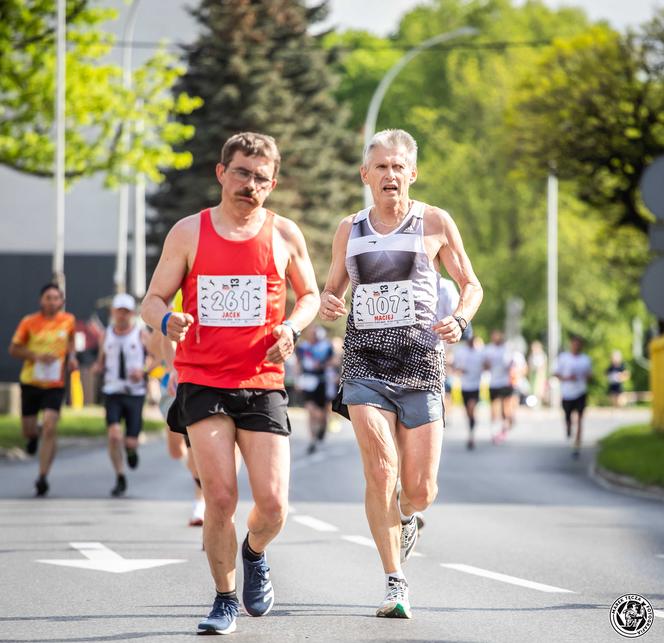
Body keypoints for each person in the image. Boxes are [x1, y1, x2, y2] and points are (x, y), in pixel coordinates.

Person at [141, 132, 319, 635]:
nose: (250, 185)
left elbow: (307, 296)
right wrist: (166, 320)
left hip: (262, 380)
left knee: (274, 503)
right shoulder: (188, 232)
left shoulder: (284, 234)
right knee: (220, 497)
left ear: (273, 184)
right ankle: (223, 598)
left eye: (261, 178)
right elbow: (151, 300)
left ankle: (255, 550)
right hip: (203, 379)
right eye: (241, 173)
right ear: (222, 173)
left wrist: (292, 327)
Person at [320, 129, 482, 619]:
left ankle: (408, 516)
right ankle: (395, 581)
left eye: (398, 167)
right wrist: (330, 302)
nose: (390, 175)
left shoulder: (433, 221)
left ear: (412, 173)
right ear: (365, 174)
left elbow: (470, 285)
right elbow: (332, 291)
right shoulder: (349, 229)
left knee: (420, 489)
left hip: (421, 364)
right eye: (381, 167)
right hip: (364, 363)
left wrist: (458, 319)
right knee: (380, 468)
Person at [8, 283, 77, 497]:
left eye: (56, 298)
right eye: (48, 297)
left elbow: (71, 341)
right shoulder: (29, 322)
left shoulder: (68, 321)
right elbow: (14, 349)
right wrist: (36, 357)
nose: (52, 301)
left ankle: (42, 476)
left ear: (61, 301)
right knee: (29, 429)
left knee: (49, 425)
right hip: (31, 381)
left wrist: (72, 358)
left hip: (55, 385)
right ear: (41, 300)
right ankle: (31, 437)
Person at [93, 293, 149, 497]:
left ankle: (132, 451)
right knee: (114, 435)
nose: (123, 316)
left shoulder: (141, 334)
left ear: (132, 314)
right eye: (119, 312)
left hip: (135, 393)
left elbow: (154, 360)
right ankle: (120, 476)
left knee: (131, 441)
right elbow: (101, 358)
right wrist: (97, 367)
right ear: (113, 313)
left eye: (126, 312)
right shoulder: (106, 334)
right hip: (112, 391)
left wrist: (143, 371)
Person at [295, 325, 335, 454]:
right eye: (310, 333)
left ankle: (322, 427)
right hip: (308, 381)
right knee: (311, 411)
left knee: (322, 413)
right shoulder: (302, 347)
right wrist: (297, 380)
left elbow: (333, 360)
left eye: (315, 333)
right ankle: (312, 440)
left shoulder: (326, 346)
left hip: (322, 381)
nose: (312, 335)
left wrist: (322, 365)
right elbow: (298, 364)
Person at [554, 335, 592, 458]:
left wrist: (587, 377)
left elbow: (590, 374)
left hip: (581, 392)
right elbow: (556, 373)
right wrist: (567, 378)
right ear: (571, 344)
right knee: (568, 417)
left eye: (578, 344)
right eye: (574, 344)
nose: (576, 346)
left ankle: (577, 445)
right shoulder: (564, 358)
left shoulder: (585, 359)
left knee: (580, 419)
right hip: (567, 393)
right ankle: (569, 427)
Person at [453, 335, 485, 450]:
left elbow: (486, 365)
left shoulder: (480, 352)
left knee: (472, 408)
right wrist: (459, 370)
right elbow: (455, 367)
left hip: (475, 386)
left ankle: (471, 437)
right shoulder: (461, 352)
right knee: (468, 413)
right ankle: (471, 430)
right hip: (464, 386)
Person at [483, 330, 515, 443]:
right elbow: (485, 365)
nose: (495, 338)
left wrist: (510, 367)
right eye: (493, 336)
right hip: (494, 382)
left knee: (505, 408)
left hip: (505, 382)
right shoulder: (488, 349)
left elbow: (512, 364)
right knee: (494, 408)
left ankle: (504, 428)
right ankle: (494, 431)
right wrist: (487, 365)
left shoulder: (506, 349)